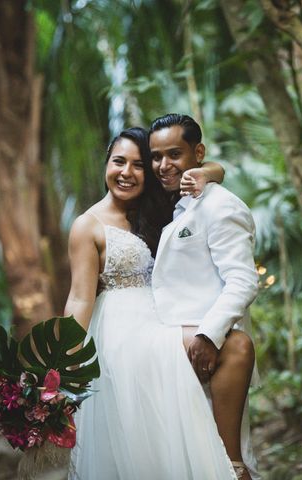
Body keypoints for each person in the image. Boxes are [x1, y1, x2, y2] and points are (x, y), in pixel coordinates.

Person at [65, 127, 238, 479]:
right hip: (122, 330)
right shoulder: (88, 225)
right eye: (119, 162)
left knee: (232, 348)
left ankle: (228, 459)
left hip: (164, 315)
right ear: (106, 165)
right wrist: (64, 362)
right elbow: (80, 297)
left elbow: (217, 168)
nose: (127, 172)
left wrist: (204, 173)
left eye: (139, 165)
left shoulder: (160, 209)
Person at [149, 114, 259, 480]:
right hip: (164, 349)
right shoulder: (171, 200)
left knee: (221, 458)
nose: (164, 165)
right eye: (156, 156)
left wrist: (208, 335)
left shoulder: (220, 206)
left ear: (198, 153)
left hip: (203, 351)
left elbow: (243, 280)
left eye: (174, 154)